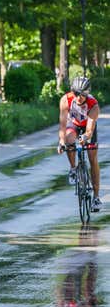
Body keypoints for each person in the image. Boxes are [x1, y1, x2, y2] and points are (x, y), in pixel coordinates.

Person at [58, 76, 101, 211]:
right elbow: (63, 125)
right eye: (76, 93)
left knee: (92, 159)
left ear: (87, 94)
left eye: (82, 94)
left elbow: (89, 130)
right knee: (69, 138)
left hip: (87, 126)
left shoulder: (93, 105)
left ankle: (96, 197)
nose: (78, 97)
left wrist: (86, 137)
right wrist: (61, 141)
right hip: (73, 124)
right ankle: (73, 169)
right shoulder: (66, 100)